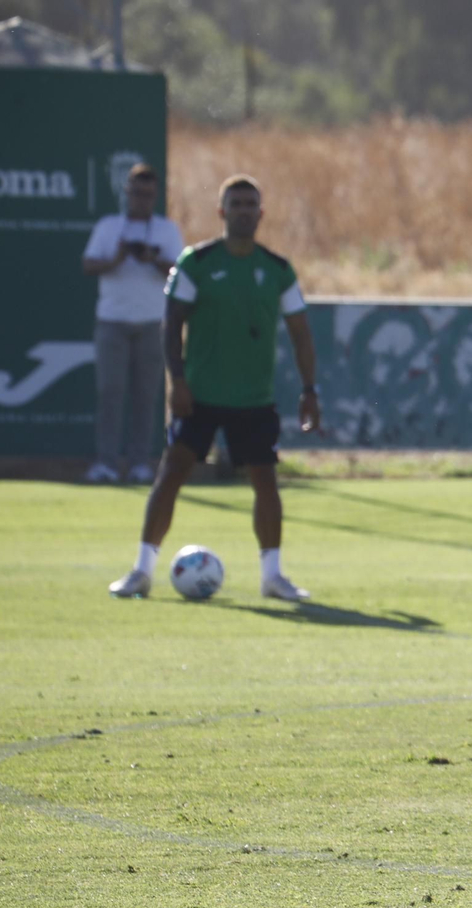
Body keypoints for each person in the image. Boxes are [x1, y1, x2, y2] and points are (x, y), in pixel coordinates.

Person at [108, 175, 319, 602]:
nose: (243, 211)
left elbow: (301, 333)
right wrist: (177, 381)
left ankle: (273, 576)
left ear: (261, 214)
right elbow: (172, 325)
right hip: (200, 395)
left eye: (250, 205)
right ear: (221, 212)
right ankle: (141, 571)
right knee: (171, 474)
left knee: (265, 482)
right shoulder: (197, 262)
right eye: (235, 204)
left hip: (254, 398)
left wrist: (309, 389)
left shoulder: (277, 270)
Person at [81, 163, 183, 485]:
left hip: (152, 322)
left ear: (155, 196)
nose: (141, 200)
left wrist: (151, 259)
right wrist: (117, 258)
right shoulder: (108, 227)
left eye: (147, 195)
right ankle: (106, 463)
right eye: (136, 193)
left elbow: (179, 272)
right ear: (127, 193)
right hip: (112, 321)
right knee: (110, 392)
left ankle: (141, 462)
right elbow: (88, 264)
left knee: (146, 395)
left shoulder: (166, 230)